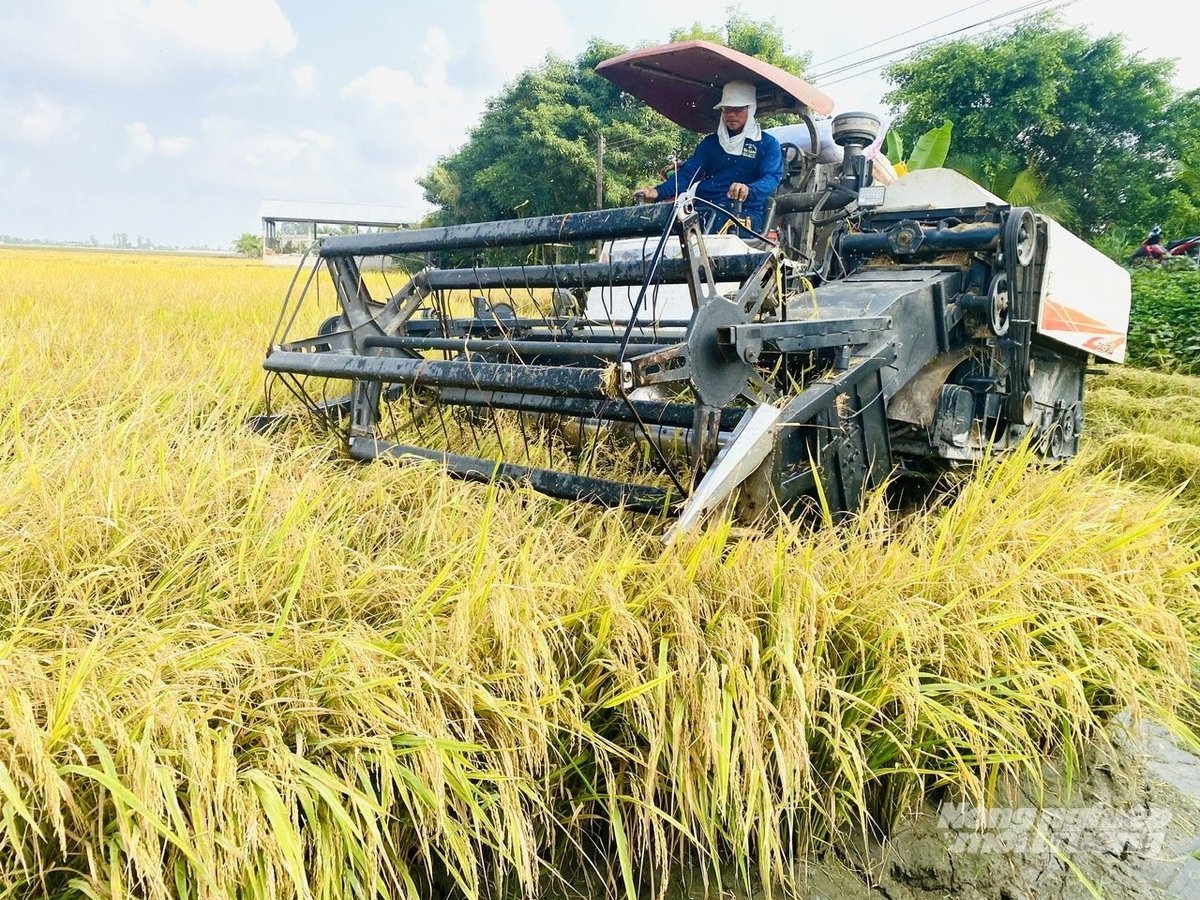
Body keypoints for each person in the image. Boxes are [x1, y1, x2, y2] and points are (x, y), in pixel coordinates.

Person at [635, 80, 784, 233]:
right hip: (703, 208)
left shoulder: (767, 144)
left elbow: (771, 178)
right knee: (657, 226)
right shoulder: (710, 144)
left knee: (718, 226)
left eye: (738, 109)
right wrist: (657, 192)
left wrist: (748, 189)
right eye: (726, 109)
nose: (731, 114)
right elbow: (688, 175)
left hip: (744, 213)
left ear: (751, 109)